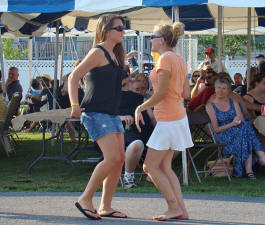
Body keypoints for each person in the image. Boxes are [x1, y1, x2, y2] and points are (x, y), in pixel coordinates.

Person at [68, 14, 127, 220]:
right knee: (112, 158)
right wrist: (74, 105)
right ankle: (85, 198)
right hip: (95, 112)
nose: (123, 31)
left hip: (111, 113)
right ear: (106, 30)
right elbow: (73, 77)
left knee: (119, 160)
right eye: (119, 28)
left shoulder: (115, 54)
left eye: (123, 27)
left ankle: (106, 206)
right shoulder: (98, 52)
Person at [134, 22, 193, 221]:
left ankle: (174, 207)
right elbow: (186, 93)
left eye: (152, 36)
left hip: (168, 119)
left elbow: (161, 93)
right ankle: (181, 210)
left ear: (161, 40)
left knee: (149, 166)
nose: (150, 40)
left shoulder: (165, 59)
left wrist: (141, 107)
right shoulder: (179, 59)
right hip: (177, 117)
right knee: (165, 167)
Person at [206, 77, 265, 179]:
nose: (221, 91)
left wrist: (236, 123)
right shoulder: (210, 106)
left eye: (224, 88)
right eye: (218, 88)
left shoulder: (233, 102)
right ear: (214, 89)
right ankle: (261, 160)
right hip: (223, 135)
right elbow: (216, 129)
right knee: (246, 130)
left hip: (239, 132)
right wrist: (232, 124)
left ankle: (250, 170)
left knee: (245, 128)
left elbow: (241, 121)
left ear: (228, 90)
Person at [120, 79, 155, 188]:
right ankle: (128, 177)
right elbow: (107, 117)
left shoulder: (147, 100)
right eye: (137, 89)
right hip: (128, 131)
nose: (140, 91)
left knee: (173, 144)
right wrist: (122, 117)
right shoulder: (118, 98)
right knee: (136, 144)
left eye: (143, 88)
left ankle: (154, 172)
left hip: (147, 130)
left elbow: (153, 120)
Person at [243, 73, 265, 158]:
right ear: (257, 83)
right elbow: (250, 116)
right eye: (264, 83)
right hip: (256, 126)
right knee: (263, 133)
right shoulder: (248, 97)